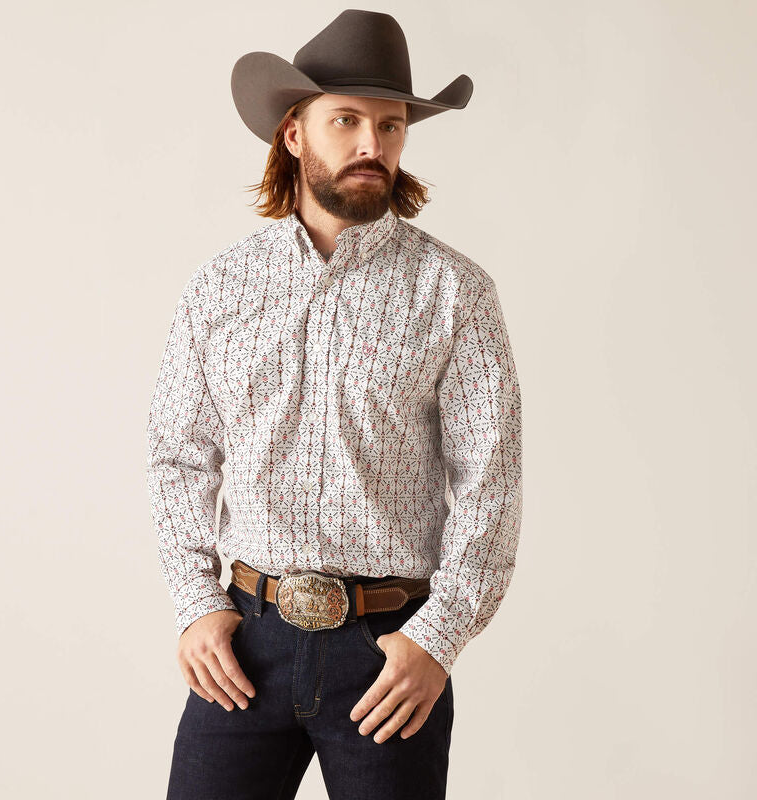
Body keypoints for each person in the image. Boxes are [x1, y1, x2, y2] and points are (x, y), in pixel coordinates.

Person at [146, 9, 523, 799]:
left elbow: (490, 481)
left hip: (388, 654)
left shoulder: (455, 293)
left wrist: (438, 636)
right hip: (243, 648)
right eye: (346, 120)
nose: (370, 144)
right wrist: (195, 603)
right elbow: (178, 456)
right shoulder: (219, 288)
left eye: (390, 125)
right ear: (294, 133)